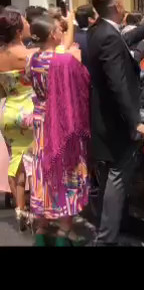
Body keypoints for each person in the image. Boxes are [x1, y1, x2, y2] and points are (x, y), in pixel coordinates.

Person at [87, 0, 144, 246]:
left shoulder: (99, 30)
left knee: (109, 179)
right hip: (115, 123)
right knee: (116, 179)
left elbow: (122, 42)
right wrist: (135, 122)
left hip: (103, 121)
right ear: (117, 6)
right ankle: (106, 239)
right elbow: (117, 82)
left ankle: (106, 231)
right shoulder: (107, 35)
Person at [25, 16, 91, 246]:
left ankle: (42, 231)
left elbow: (31, 84)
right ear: (53, 35)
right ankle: (64, 232)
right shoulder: (66, 61)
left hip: (41, 124)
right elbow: (84, 83)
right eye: (59, 29)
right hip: (63, 125)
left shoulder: (31, 60)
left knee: (44, 174)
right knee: (67, 174)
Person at [0, 8, 36, 230]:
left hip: (8, 111)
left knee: (16, 161)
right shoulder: (29, 55)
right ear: (17, 30)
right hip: (30, 111)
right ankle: (36, 210)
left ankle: (19, 208)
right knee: (35, 161)